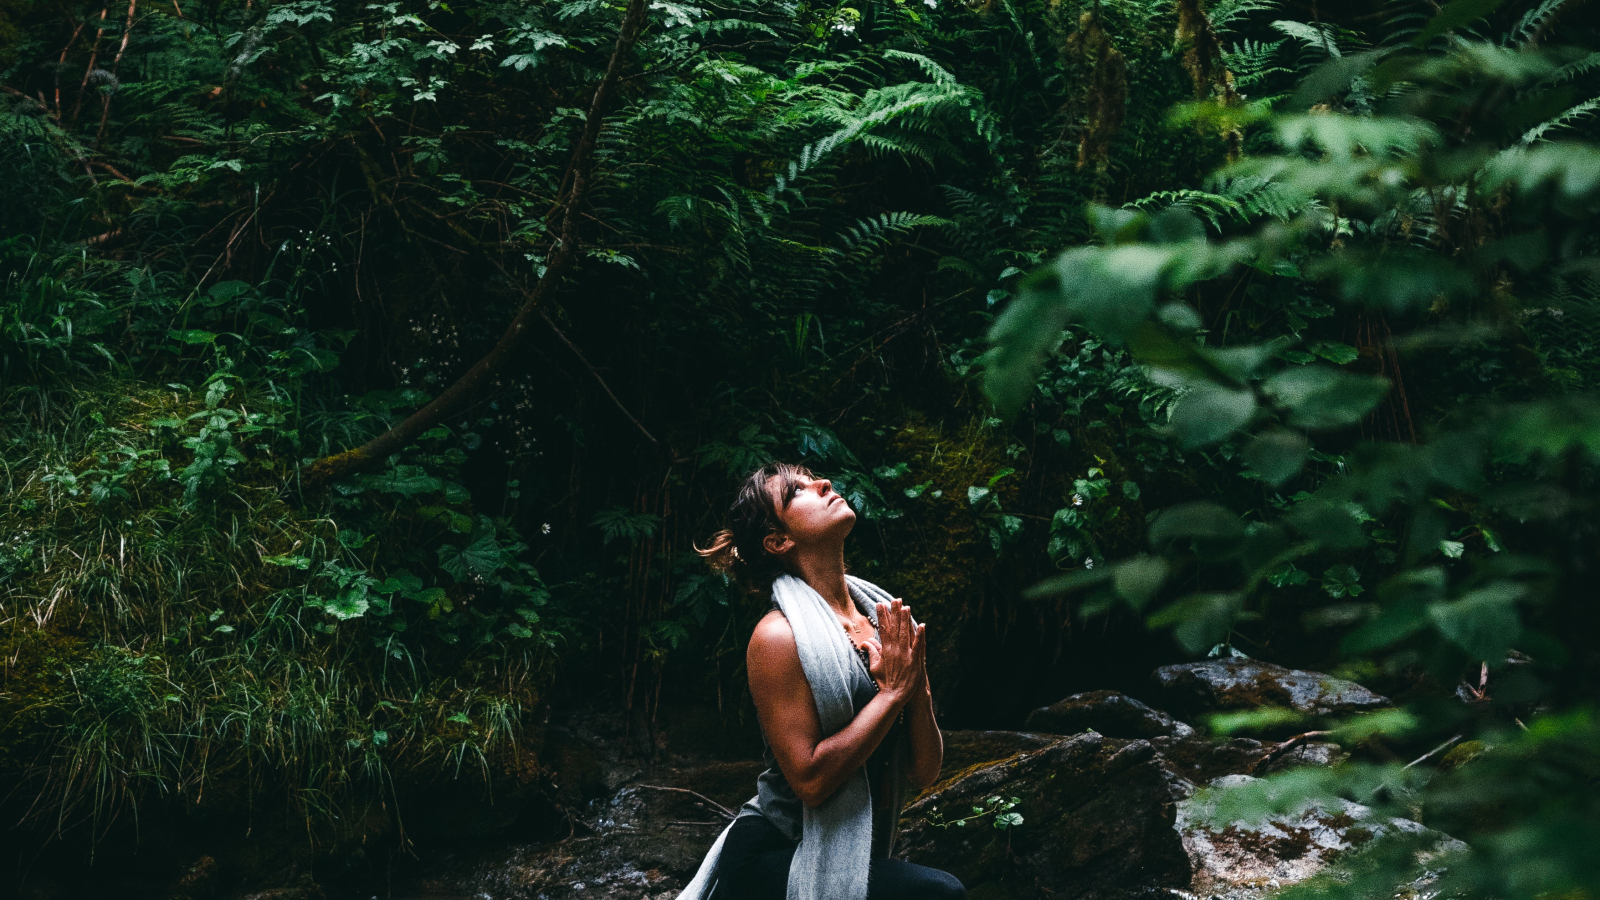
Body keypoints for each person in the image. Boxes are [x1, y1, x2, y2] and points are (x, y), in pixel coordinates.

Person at [677, 462, 965, 900]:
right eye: (799, 491)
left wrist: (914, 686)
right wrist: (891, 694)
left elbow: (924, 771)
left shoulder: (879, 616)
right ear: (778, 540)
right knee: (940, 894)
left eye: (815, 478)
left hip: (843, 846)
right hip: (773, 852)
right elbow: (810, 783)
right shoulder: (778, 636)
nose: (824, 483)